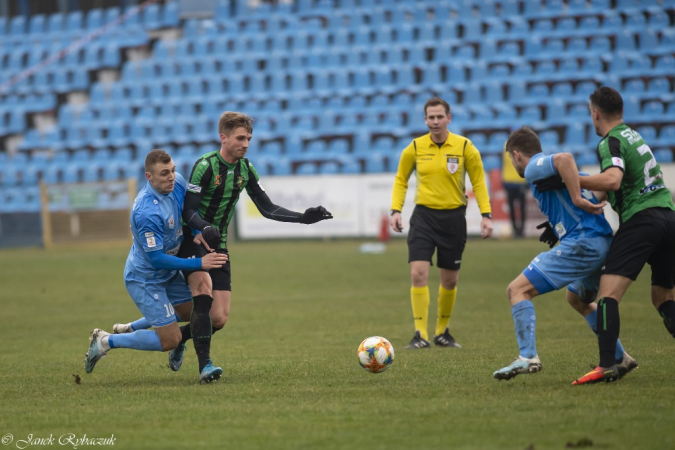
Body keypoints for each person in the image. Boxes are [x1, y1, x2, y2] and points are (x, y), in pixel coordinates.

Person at [113, 112, 333, 377]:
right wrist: (204, 227)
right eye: (241, 138)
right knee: (203, 293)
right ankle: (205, 366)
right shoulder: (205, 166)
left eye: (249, 138)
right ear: (224, 137)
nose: (246, 143)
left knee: (218, 318)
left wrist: (303, 219)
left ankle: (174, 339)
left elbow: (267, 208)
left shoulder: (246, 169)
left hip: (219, 245)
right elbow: (188, 211)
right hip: (194, 241)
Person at [534, 87, 675, 385]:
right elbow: (605, 189)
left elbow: (612, 179)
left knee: (608, 294)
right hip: (667, 216)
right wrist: (560, 219)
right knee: (662, 297)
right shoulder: (633, 136)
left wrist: (570, 179)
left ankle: (608, 363)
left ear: (595, 113)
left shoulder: (609, 141)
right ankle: (613, 360)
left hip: (642, 220)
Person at [492, 127, 638, 381]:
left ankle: (528, 356)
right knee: (577, 299)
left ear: (516, 155)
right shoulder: (557, 173)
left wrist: (577, 201)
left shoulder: (534, 166)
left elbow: (565, 158)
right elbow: (592, 188)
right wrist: (561, 219)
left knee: (517, 290)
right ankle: (619, 356)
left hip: (582, 242)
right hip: (601, 241)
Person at [83, 150, 229, 383]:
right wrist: (199, 262)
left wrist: (197, 232)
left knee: (199, 313)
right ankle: (105, 341)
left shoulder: (178, 182)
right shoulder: (146, 212)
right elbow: (156, 259)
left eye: (172, 170)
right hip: (145, 277)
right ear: (149, 177)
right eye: (164, 173)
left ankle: (132, 326)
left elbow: (186, 215)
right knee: (169, 339)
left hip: (168, 272)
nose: (171, 176)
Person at [390, 97, 494, 349]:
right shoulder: (414, 148)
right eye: (430, 117)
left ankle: (441, 333)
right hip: (423, 217)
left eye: (439, 117)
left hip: (453, 219)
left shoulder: (465, 146)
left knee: (450, 281)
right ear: (425, 120)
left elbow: (478, 182)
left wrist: (486, 215)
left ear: (449, 118)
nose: (435, 121)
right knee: (418, 273)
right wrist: (395, 210)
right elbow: (401, 180)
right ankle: (420, 335)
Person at [501, 150, 529, 238]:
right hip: (510, 181)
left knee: (522, 207)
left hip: (519, 181)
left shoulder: (511, 145)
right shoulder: (508, 146)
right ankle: (515, 230)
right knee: (513, 207)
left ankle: (521, 231)